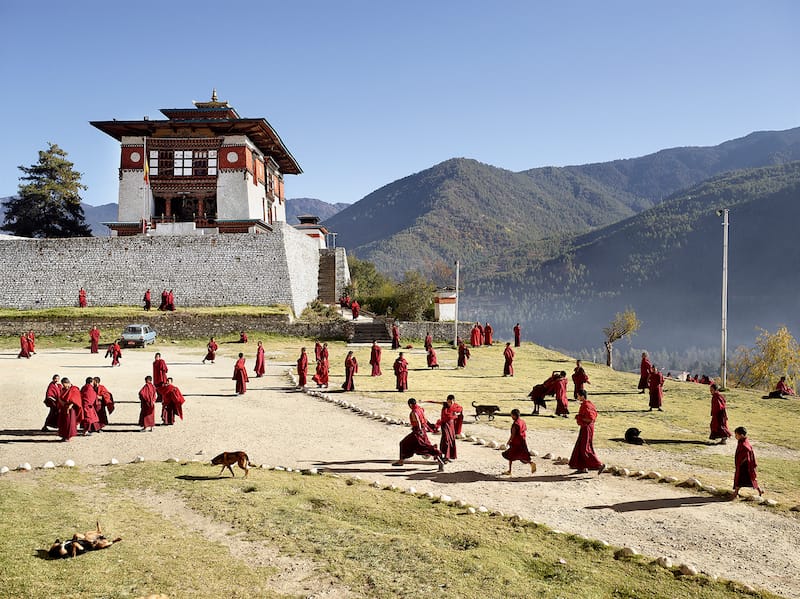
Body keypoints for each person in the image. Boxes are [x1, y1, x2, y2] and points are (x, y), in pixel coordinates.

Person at [392, 398, 445, 471]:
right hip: (422, 431)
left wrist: (419, 430)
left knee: (404, 443)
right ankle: (439, 461)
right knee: (425, 447)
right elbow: (424, 419)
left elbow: (418, 421)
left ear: (410, 404)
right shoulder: (420, 409)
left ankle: (401, 461)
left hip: (417, 432)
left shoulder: (414, 412)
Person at [568, 390, 606, 474]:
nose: (577, 397)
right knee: (581, 445)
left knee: (584, 448)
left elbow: (590, 418)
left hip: (586, 428)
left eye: (578, 396)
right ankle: (582, 467)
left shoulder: (585, 405)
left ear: (582, 396)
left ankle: (599, 465)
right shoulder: (590, 404)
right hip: (588, 427)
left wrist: (579, 418)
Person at [501, 409, 536, 475]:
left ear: (514, 415)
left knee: (510, 456)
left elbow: (513, 435)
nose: (511, 416)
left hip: (516, 442)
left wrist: (508, 442)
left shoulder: (515, 424)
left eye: (511, 415)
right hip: (522, 441)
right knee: (523, 455)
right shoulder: (522, 421)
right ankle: (531, 463)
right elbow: (525, 429)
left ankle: (509, 471)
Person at [732, 426, 763, 498]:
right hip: (744, 465)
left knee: (740, 479)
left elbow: (747, 453)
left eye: (736, 435)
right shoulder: (743, 441)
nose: (735, 436)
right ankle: (759, 490)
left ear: (741, 435)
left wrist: (742, 462)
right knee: (750, 479)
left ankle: (735, 493)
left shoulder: (744, 444)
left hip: (745, 466)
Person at [437, 394, 463, 462]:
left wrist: (456, 414)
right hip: (444, 424)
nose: (450, 403)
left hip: (451, 425)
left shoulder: (456, 406)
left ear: (454, 401)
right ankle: (445, 456)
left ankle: (449, 456)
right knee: (446, 439)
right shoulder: (445, 404)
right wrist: (424, 401)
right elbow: (435, 402)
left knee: (451, 439)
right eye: (448, 402)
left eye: (451, 402)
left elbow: (460, 411)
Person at [57, 377, 82, 441]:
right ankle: (63, 436)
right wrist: (61, 403)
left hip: (71, 409)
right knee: (63, 423)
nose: (64, 387)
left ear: (68, 383)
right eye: (63, 385)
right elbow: (60, 397)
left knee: (69, 423)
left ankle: (68, 437)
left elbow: (76, 399)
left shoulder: (74, 389)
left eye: (65, 385)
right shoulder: (63, 389)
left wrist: (70, 406)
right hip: (63, 408)